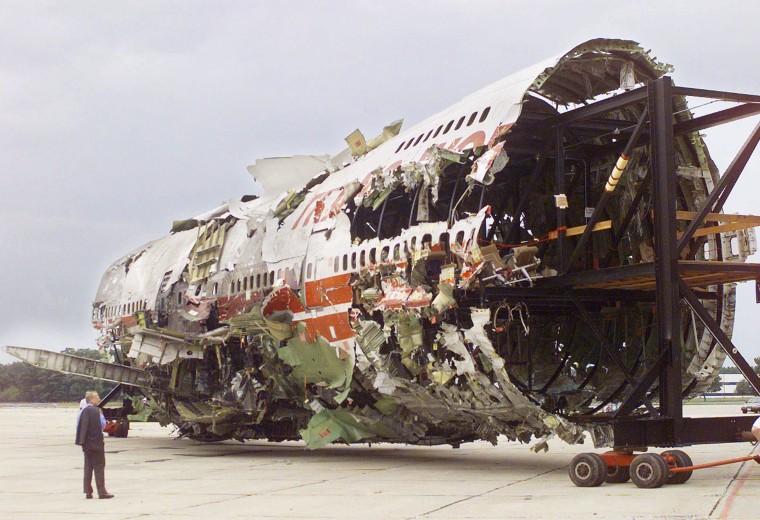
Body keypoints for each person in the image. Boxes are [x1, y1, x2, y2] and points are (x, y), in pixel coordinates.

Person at [75, 391, 114, 499]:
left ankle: (88, 492)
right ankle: (102, 492)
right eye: (97, 398)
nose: (99, 399)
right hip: (96, 443)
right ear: (91, 399)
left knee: (88, 467)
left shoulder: (82, 412)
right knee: (99, 467)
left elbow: (79, 426)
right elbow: (103, 425)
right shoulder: (97, 411)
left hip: (86, 444)